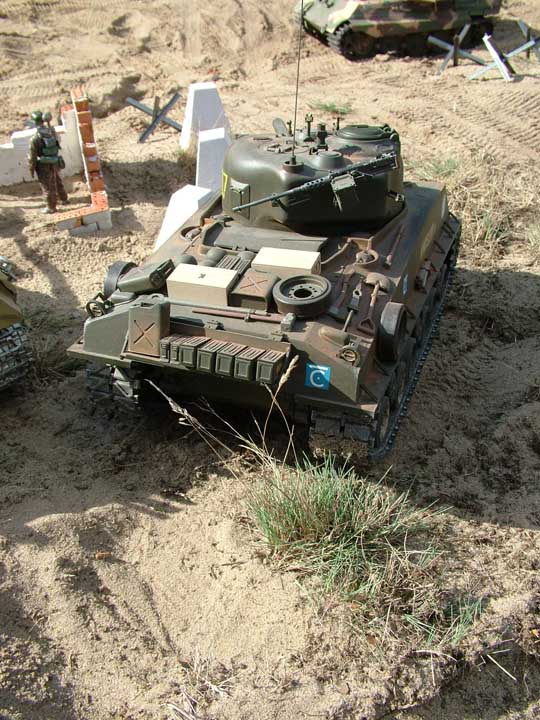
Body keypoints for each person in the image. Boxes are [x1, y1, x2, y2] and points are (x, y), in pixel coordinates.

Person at [27, 110, 69, 214]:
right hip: (55, 161)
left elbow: (32, 156)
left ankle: (51, 207)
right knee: (57, 181)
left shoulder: (35, 139)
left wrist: (31, 168)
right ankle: (64, 199)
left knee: (47, 187)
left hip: (44, 165)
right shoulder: (52, 132)